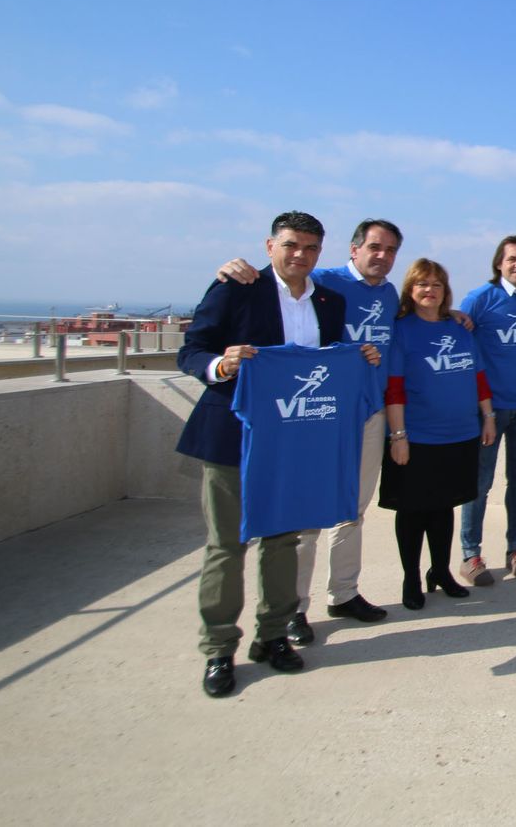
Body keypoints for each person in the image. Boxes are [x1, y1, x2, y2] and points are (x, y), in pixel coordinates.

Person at [176, 211, 378, 698]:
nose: (300, 256)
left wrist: (357, 356)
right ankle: (219, 648)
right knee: (227, 546)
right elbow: (191, 350)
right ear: (270, 246)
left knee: (283, 542)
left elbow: (326, 360)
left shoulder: (329, 301)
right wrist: (221, 364)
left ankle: (273, 636)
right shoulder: (236, 287)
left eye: (310, 248)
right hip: (234, 437)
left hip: (297, 440)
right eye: (290, 246)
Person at [215, 218, 405, 645]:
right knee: (306, 515)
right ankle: (294, 608)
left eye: (391, 250)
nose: (382, 256)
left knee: (353, 509)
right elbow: (279, 282)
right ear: (353, 249)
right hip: (319, 415)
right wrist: (230, 269)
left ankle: (343, 593)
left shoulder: (388, 293)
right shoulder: (322, 281)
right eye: (375, 247)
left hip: (368, 411)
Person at [381, 259, 496, 609]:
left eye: (437, 284)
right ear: (410, 290)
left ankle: (441, 572)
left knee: (445, 508)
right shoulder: (401, 329)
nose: (430, 290)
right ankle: (411, 579)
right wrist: (398, 435)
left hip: (460, 434)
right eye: (422, 284)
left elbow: (478, 377)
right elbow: (394, 388)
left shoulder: (460, 329)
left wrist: (488, 417)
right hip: (419, 437)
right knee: (414, 511)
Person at [458, 235, 516, 584]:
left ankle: (515, 548)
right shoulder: (479, 298)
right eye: (512, 259)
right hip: (488, 409)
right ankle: (471, 554)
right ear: (499, 262)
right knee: (480, 483)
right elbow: (454, 338)